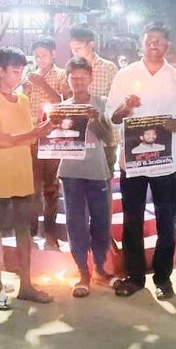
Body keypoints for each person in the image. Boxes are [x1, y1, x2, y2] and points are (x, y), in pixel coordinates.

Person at [107, 22, 176, 300]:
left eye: (158, 40)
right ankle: (134, 276)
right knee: (132, 219)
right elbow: (112, 115)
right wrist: (126, 107)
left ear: (167, 45)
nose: (153, 44)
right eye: (148, 40)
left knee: (166, 220)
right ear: (141, 44)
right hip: (133, 161)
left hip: (165, 161)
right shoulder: (125, 75)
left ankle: (163, 277)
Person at [0, 48, 55, 308]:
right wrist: (34, 133)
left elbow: (27, 136)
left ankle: (26, 284)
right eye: (14, 70)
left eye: (21, 70)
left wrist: (42, 131)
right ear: (0, 71)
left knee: (24, 228)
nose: (19, 75)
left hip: (22, 171)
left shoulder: (23, 100)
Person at [57, 57, 117, 298]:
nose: (78, 81)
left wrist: (94, 119)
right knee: (75, 224)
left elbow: (109, 138)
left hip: (97, 171)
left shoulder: (101, 103)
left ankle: (100, 268)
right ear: (67, 79)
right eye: (74, 78)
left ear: (91, 78)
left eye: (83, 77)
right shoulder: (60, 108)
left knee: (101, 222)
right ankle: (82, 271)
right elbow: (54, 141)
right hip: (70, 173)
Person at [23, 36, 70, 248]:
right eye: (36, 56)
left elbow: (63, 102)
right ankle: (32, 231)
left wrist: (43, 84)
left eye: (43, 55)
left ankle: (50, 232)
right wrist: (26, 91)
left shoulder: (61, 75)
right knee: (32, 188)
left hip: (53, 139)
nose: (39, 59)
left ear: (53, 54)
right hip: (32, 137)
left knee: (51, 187)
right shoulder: (29, 76)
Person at [69, 25, 119, 175]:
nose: (74, 51)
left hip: (104, 136)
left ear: (91, 44)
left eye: (78, 48)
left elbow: (115, 102)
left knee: (104, 178)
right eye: (72, 48)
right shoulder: (71, 68)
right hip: (79, 135)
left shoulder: (108, 68)